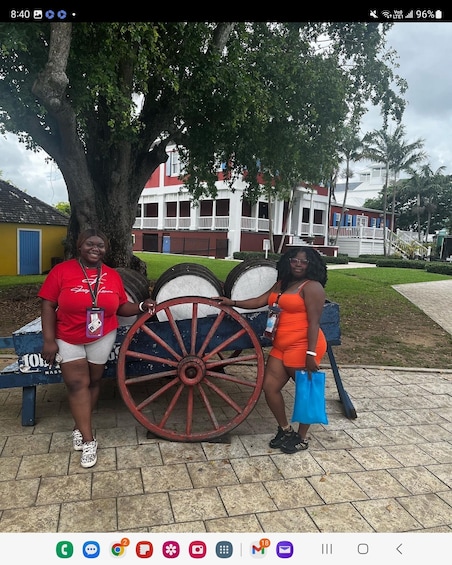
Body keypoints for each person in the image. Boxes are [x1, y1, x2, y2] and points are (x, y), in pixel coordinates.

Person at [38, 228, 156, 468]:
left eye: (100, 245)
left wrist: (142, 305)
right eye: (90, 244)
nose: (95, 248)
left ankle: (79, 425)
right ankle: (89, 439)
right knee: (76, 383)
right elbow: (48, 305)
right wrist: (49, 340)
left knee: (93, 382)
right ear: (80, 246)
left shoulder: (112, 275)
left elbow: (121, 307)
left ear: (106, 250)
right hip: (68, 335)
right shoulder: (62, 271)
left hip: (102, 335)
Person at [215, 246, 327, 454]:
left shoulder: (312, 287)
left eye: (304, 261)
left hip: (302, 345)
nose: (299, 264)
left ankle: (302, 437)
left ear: (312, 265)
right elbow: (260, 301)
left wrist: (311, 354)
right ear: (288, 261)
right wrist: (233, 302)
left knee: (306, 390)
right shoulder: (282, 284)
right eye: (294, 260)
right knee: (269, 387)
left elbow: (314, 322)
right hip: (281, 345)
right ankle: (285, 429)